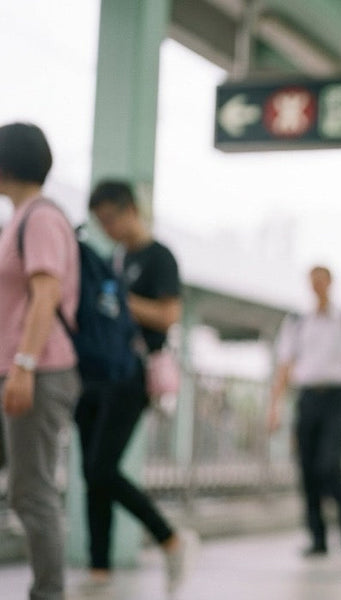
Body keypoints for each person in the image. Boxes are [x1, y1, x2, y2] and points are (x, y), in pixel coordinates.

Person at [80, 179, 198, 594]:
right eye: (100, 222)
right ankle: (99, 568)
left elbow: (168, 316)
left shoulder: (158, 257)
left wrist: (116, 300)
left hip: (133, 374)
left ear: (130, 209)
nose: (107, 228)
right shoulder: (112, 258)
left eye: (110, 218)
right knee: (90, 472)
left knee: (102, 468)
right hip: (96, 373)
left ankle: (169, 537)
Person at [0, 122, 82, 600]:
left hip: (39, 370)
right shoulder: (18, 218)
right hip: (17, 370)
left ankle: (48, 594)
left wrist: (25, 364)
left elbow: (46, 291)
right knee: (26, 489)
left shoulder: (42, 218)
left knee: (33, 490)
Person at [268, 265, 341, 557]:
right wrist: (274, 407)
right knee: (306, 467)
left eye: (321, 280)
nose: (317, 286)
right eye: (312, 281)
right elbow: (284, 366)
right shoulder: (297, 322)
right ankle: (317, 537)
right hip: (307, 398)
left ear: (330, 283)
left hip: (339, 398)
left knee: (329, 464)